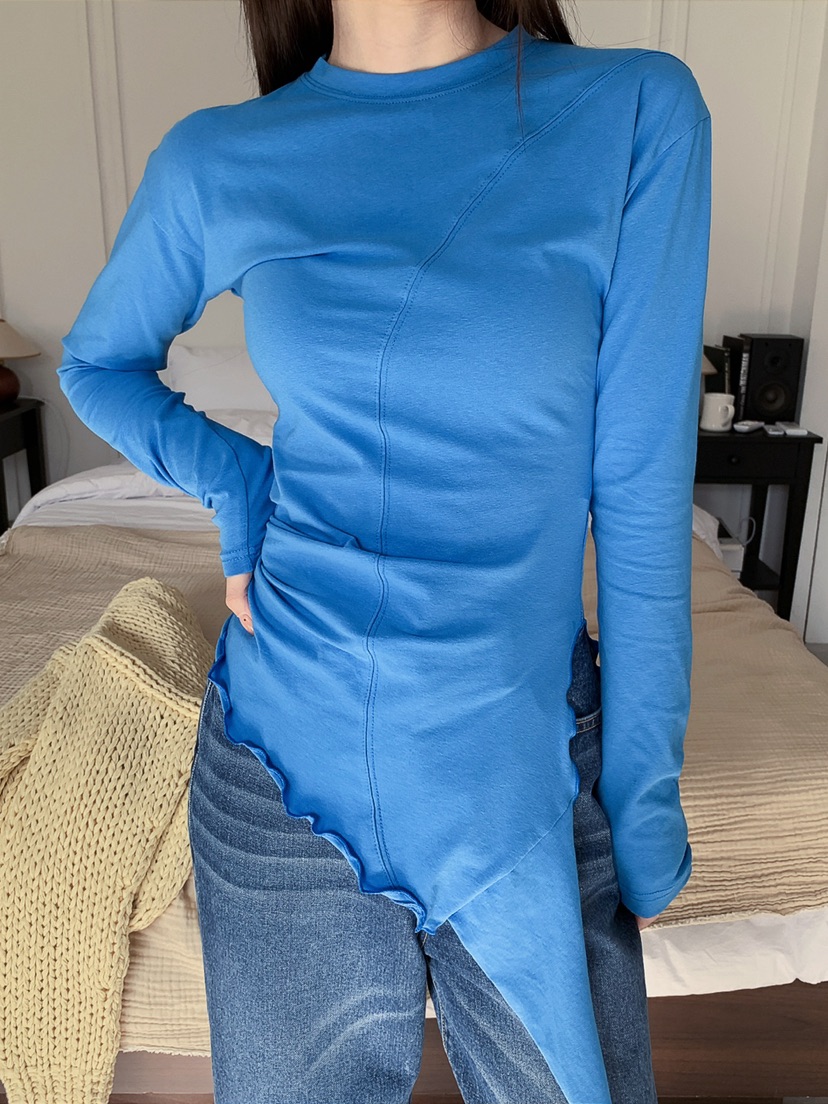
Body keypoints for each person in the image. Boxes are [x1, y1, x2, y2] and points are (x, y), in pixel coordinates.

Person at [56, 1, 712, 1101]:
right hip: (280, 760)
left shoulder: (635, 111)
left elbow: (642, 495)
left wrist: (643, 803)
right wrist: (237, 478)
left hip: (523, 760)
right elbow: (95, 363)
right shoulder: (220, 157)